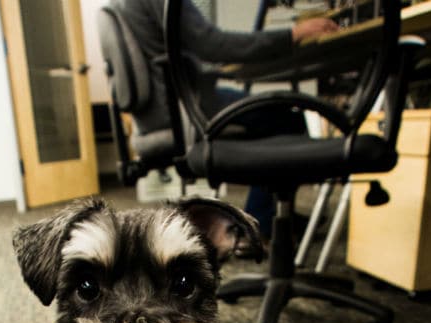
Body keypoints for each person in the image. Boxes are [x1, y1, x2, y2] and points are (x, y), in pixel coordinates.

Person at [111, 0, 338, 237]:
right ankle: (264, 219)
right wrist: (291, 35)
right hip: (187, 106)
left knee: (270, 111)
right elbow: (211, 43)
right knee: (286, 117)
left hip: (160, 112)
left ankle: (268, 215)